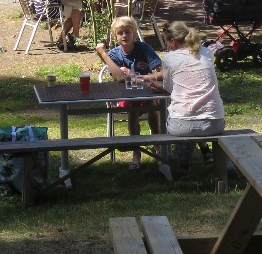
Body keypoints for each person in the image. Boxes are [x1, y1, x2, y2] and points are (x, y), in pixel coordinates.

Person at [96, 17, 162, 170]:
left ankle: (158, 145)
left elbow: (162, 73)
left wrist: (135, 77)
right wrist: (103, 54)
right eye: (120, 33)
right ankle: (136, 152)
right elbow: (119, 78)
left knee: (152, 102)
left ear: (134, 34)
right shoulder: (113, 54)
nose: (124, 36)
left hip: (148, 92)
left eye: (127, 32)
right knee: (133, 107)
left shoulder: (144, 48)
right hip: (126, 96)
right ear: (116, 36)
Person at [158, 21, 224, 170]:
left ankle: (183, 165)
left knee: (182, 119)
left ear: (173, 42)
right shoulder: (207, 53)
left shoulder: (169, 58)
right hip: (215, 122)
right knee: (193, 118)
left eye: (166, 41)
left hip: (182, 125)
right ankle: (205, 153)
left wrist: (159, 86)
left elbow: (168, 88)